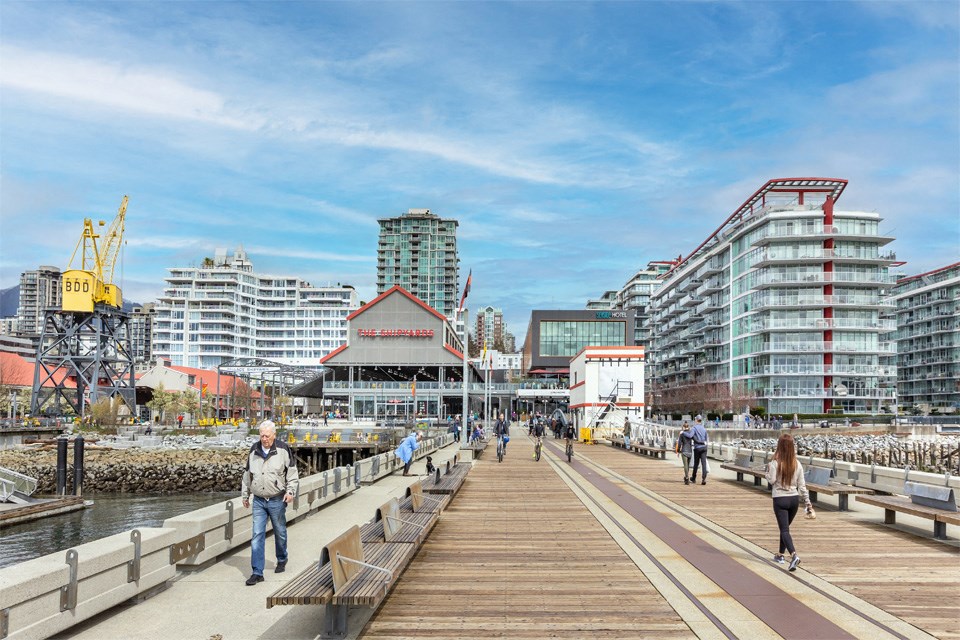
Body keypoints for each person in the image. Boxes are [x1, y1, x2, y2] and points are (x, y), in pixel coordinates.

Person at [241, 420, 299, 586]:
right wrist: (245, 495)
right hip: (259, 500)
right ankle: (257, 572)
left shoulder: (282, 449)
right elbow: (247, 475)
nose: (264, 438)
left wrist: (290, 492)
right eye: (261, 435)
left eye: (267, 435)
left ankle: (282, 558)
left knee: (280, 532)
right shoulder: (254, 450)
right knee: (257, 535)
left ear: (274, 435)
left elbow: (292, 474)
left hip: (277, 499)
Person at [764, 433, 812, 571]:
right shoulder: (797, 464)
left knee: (784, 529)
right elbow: (802, 485)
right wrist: (808, 503)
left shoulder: (774, 463)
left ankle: (794, 555)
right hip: (794, 500)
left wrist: (767, 472)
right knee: (785, 529)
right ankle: (780, 555)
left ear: (779, 446)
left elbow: (772, 480)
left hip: (780, 499)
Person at [689, 416, 709, 485]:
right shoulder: (704, 429)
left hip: (697, 447)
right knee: (704, 463)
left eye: (695, 419)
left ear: (696, 420)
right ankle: (704, 478)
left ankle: (693, 477)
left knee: (696, 463)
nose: (694, 420)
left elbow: (690, 435)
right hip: (704, 447)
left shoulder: (694, 428)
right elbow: (706, 439)